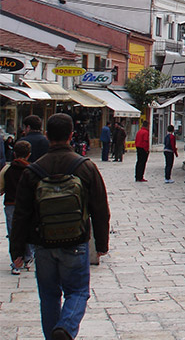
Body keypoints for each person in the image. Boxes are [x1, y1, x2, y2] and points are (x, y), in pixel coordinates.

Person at [10, 113, 110, 340]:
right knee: (78, 292)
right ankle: (65, 328)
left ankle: (53, 335)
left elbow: (21, 214)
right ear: (71, 136)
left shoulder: (32, 171)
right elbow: (100, 209)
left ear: (47, 136)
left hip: (43, 243)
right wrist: (102, 244)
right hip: (76, 242)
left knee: (48, 296)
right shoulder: (85, 167)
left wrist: (17, 251)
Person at [2, 140, 34, 275]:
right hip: (28, 205)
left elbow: (1, 187)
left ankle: (16, 260)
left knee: (14, 233)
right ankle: (28, 257)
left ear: (14, 154)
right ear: (29, 155)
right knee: (28, 230)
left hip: (11, 205)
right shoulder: (32, 170)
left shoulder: (7, 170)